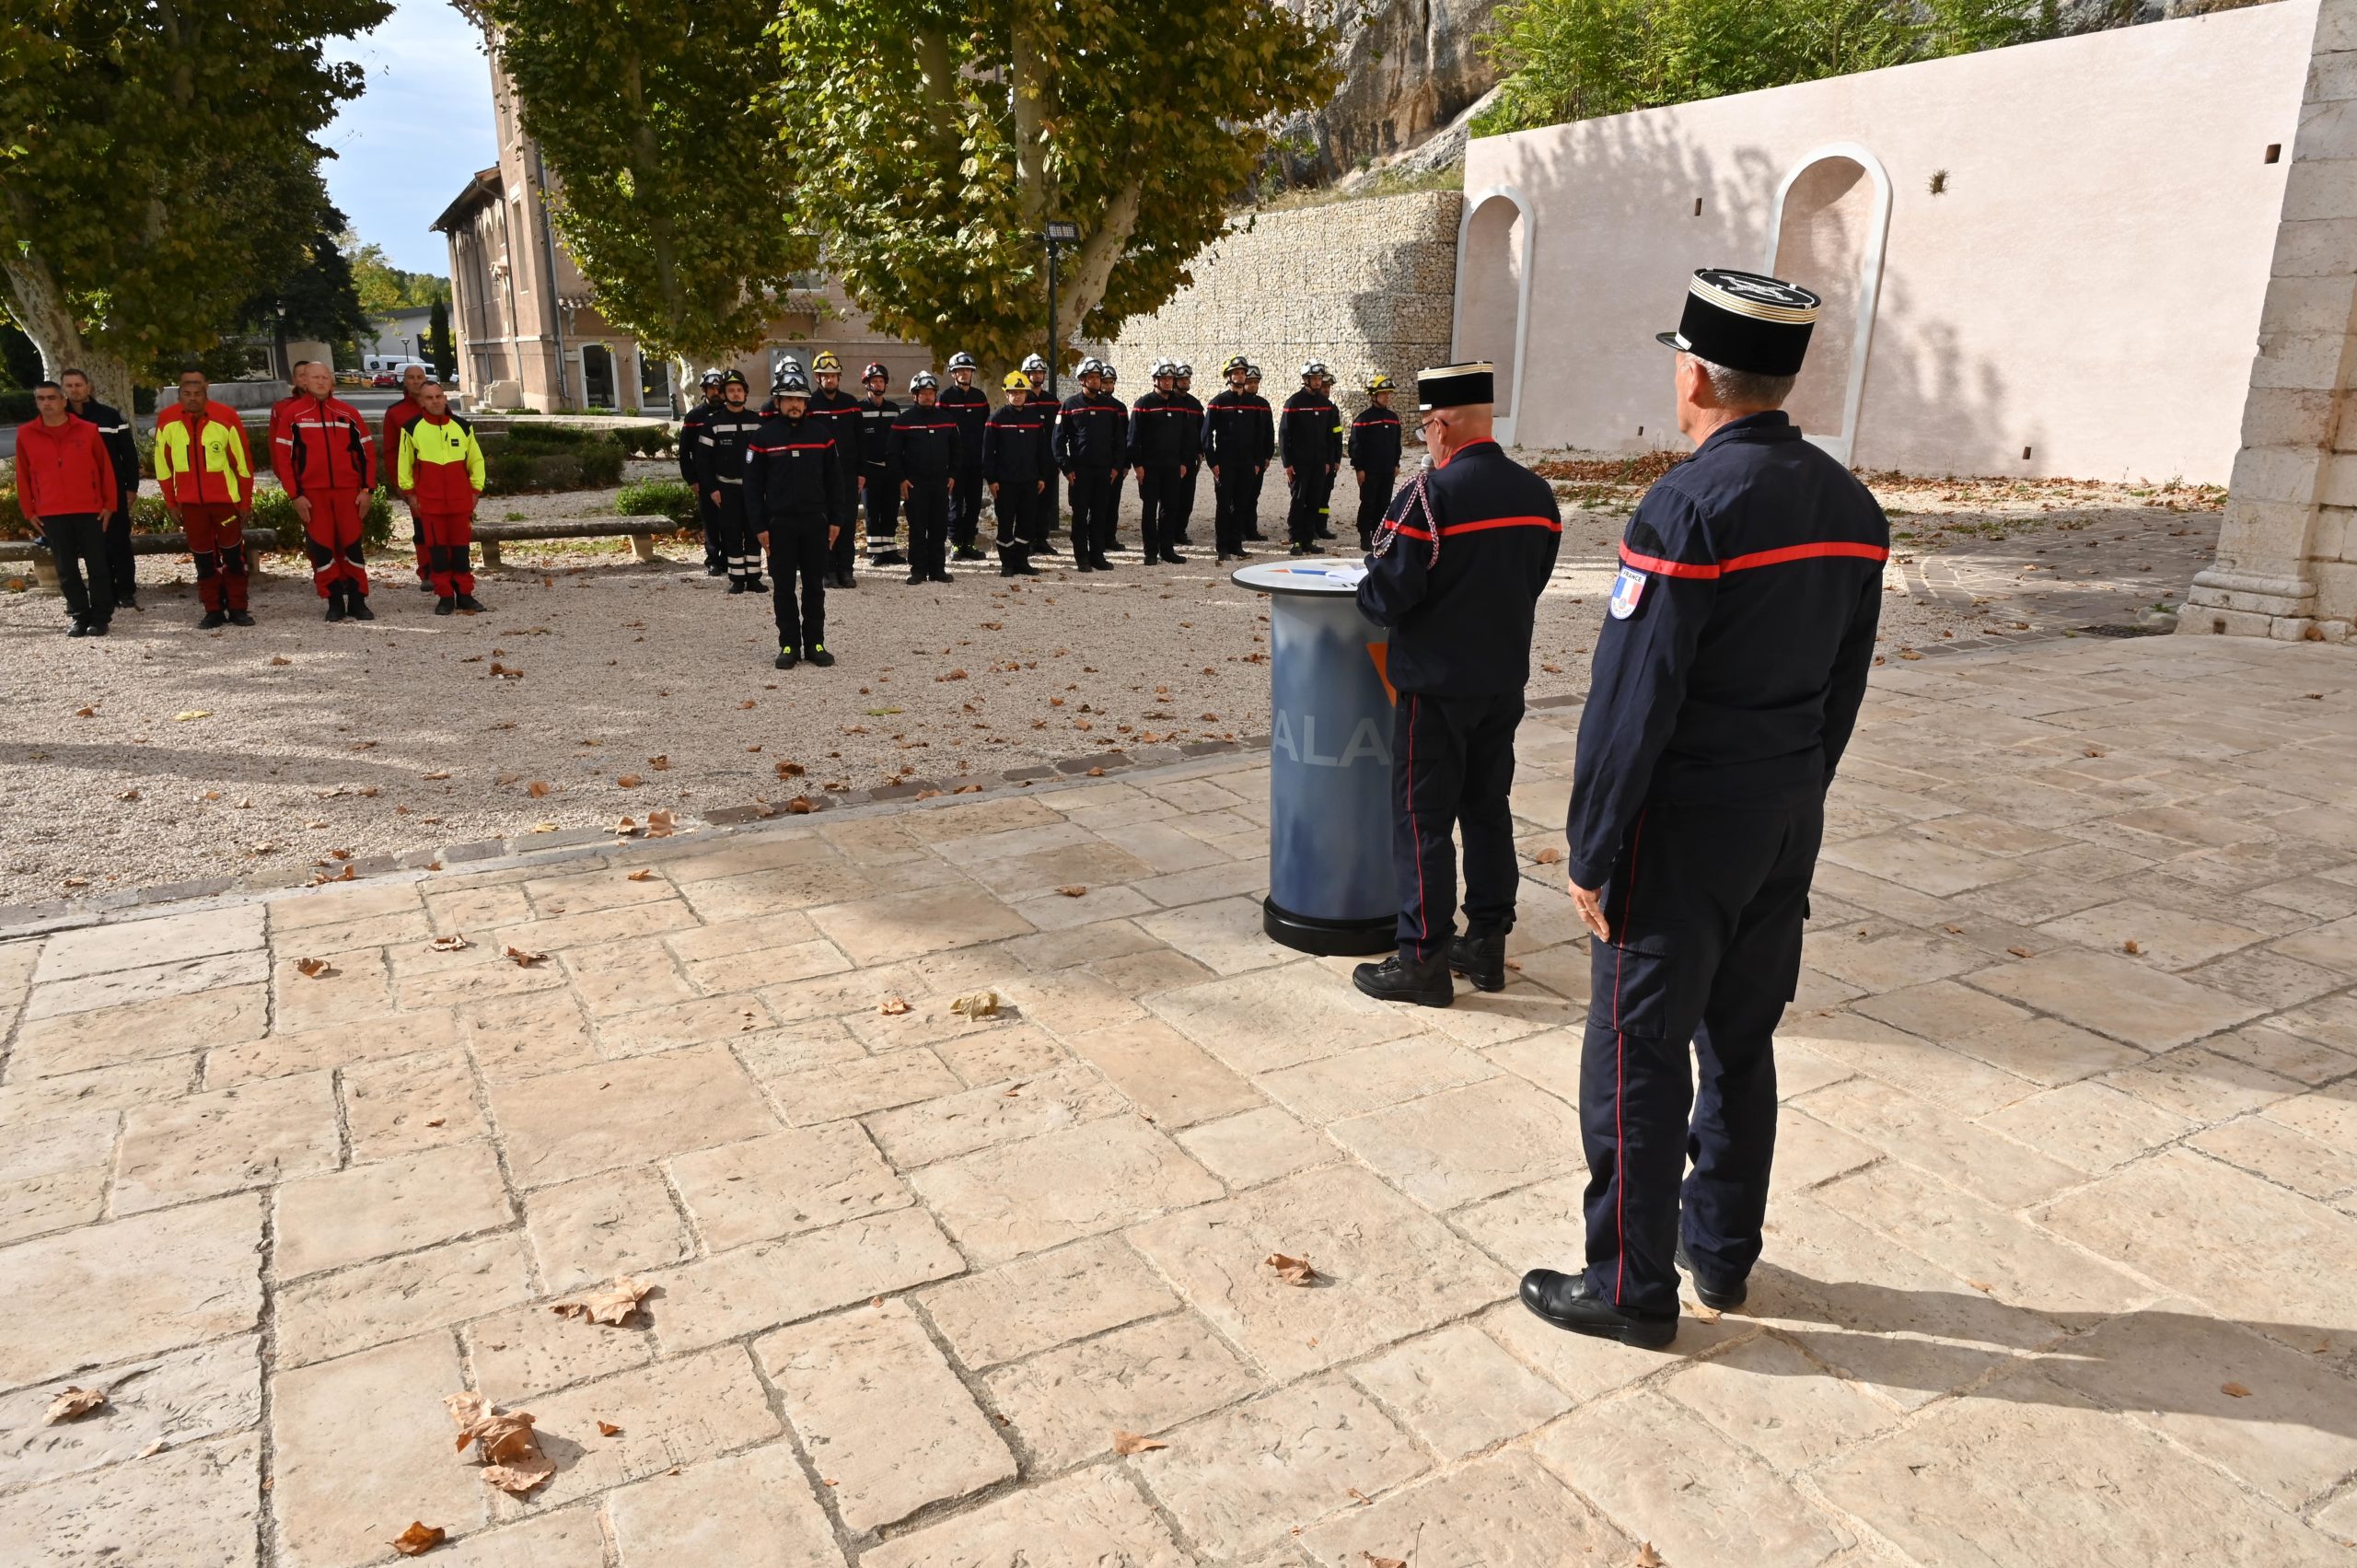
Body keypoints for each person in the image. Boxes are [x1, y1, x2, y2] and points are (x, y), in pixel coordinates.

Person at [1519, 272, 1888, 1351]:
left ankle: (1629, 1283)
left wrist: (1592, 846)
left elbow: (1635, 699)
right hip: (1780, 807)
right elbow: (1844, 684)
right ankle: (1719, 1247)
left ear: (1693, 374)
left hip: (1680, 823)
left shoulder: (1686, 507)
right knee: (1740, 1035)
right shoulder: (1848, 505)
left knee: (1636, 1050)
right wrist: (1798, 790)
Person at [1353, 359, 1560, 1013]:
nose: (1424, 440)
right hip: (1501, 681)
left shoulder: (1428, 497)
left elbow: (1385, 595)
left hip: (1435, 686)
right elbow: (1534, 576)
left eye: (1425, 428)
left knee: (1422, 822)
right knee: (1488, 808)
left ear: (1441, 425)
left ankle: (1422, 958)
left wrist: (1371, 584)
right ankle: (1487, 942)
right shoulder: (1537, 494)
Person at [746, 366, 846, 669]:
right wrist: (759, 527)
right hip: (779, 526)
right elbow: (752, 488)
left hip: (815, 523)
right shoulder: (762, 438)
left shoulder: (822, 436)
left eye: (799, 400)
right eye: (788, 399)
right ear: (777, 403)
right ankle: (789, 644)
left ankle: (816, 643)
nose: (794, 405)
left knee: (815, 587)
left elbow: (835, 483)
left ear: (806, 403)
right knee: (784, 588)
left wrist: (836, 520)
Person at [13, 380, 120, 636]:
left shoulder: (88, 430)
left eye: (51, 398)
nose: (46, 403)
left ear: (64, 401)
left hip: (89, 509)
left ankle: (101, 617)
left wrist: (109, 504)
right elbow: (23, 476)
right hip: (51, 511)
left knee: (98, 566)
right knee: (66, 569)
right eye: (41, 399)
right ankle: (79, 615)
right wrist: (29, 511)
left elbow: (105, 469)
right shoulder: (26, 434)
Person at [153, 368, 257, 629]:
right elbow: (163, 467)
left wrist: (244, 502)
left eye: (198, 392)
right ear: (179, 392)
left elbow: (243, 465)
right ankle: (212, 609)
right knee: (202, 558)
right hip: (190, 505)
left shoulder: (226, 417)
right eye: (187, 393)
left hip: (224, 503)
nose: (192, 398)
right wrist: (171, 502)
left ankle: (237, 608)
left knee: (233, 557)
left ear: (206, 389)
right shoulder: (166, 420)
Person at [277, 360, 378, 621]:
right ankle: (333, 601)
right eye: (315, 378)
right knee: (322, 549)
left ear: (331, 381)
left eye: (325, 377)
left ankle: (358, 601)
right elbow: (283, 460)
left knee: (353, 546)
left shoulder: (348, 413)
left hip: (348, 492)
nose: (321, 382)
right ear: (304, 382)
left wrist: (367, 489)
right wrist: (295, 495)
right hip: (312, 494)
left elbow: (367, 453)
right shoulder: (293, 415)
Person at [396, 381, 490, 615]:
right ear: (422, 401)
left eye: (439, 396)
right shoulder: (411, 428)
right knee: (437, 552)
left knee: (461, 551)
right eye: (429, 397)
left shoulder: (462, 426)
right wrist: (410, 494)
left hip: (460, 502)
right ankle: (445, 597)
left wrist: (476, 490)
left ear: (445, 398)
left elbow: (476, 461)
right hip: (429, 502)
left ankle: (465, 595)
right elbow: (403, 465)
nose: (435, 401)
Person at [60, 369, 141, 611]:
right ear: (63, 389)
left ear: (88, 386)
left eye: (78, 385)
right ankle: (101, 592)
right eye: (69, 385)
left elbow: (128, 454)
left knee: (119, 542)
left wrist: (131, 487)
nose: (74, 389)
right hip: (77, 493)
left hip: (112, 489)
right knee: (89, 545)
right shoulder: (58, 419)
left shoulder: (110, 416)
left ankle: (125, 591)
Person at [696, 370, 768, 593]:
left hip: (753, 489)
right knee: (732, 533)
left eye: (739, 390)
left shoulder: (757, 422)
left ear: (745, 393)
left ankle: (754, 577)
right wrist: (712, 489)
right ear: (724, 394)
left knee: (755, 532)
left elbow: (766, 456)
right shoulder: (713, 424)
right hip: (726, 488)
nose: (736, 394)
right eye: (731, 391)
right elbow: (702, 461)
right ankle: (737, 579)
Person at [891, 371, 960, 586]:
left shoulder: (947, 420)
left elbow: (957, 450)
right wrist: (901, 479)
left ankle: (938, 569)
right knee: (918, 529)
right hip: (915, 484)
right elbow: (892, 454)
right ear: (915, 396)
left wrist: (953, 475)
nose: (928, 397)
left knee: (939, 528)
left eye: (931, 393)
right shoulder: (903, 421)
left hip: (940, 483)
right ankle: (918, 570)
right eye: (923, 393)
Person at [1055, 359, 1123, 573]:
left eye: (1098, 377)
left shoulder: (1110, 407)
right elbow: (1057, 440)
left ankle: (1097, 555)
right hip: (1079, 471)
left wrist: (1116, 467)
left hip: (1104, 470)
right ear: (1082, 380)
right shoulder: (1069, 405)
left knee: (1100, 513)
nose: (1096, 380)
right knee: (1080, 514)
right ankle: (1081, 557)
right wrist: (1066, 468)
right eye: (1091, 377)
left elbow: (1119, 440)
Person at [805, 351, 865, 588]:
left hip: (848, 474)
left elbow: (861, 441)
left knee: (847, 522)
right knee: (822, 523)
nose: (830, 380)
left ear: (839, 377)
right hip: (819, 476)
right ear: (818, 378)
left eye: (834, 376)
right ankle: (826, 570)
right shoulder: (810, 405)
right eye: (825, 376)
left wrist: (862, 472)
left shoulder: (851, 404)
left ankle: (846, 569)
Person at [1127, 360, 1191, 565]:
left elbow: (1185, 437)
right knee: (1149, 509)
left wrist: (1183, 462)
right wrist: (1137, 465)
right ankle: (1150, 552)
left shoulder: (1180, 405)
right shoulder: (1143, 404)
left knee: (1170, 508)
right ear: (1155, 380)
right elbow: (1133, 438)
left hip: (1173, 466)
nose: (1167, 382)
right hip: (1149, 467)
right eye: (1163, 378)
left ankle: (1167, 549)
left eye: (1170, 378)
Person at [983, 370, 1046, 577]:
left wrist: (1042, 476)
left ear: (1027, 394)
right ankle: (1007, 563)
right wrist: (991, 480)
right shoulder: (996, 419)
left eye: (1021, 392)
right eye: (1013, 392)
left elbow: (1041, 451)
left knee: (1027, 523)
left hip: (1029, 481)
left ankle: (1022, 561)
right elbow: (988, 454)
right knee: (1006, 524)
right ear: (1006, 394)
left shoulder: (1035, 418)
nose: (1017, 396)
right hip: (1005, 482)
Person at [1280, 359, 1341, 555]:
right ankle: (1296, 540)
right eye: (1314, 378)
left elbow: (1329, 437)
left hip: (1319, 463)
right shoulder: (1294, 403)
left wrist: (1329, 461)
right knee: (1298, 501)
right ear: (1305, 379)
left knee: (1314, 501)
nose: (1317, 382)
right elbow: (1283, 435)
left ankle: (1308, 539)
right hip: (1299, 463)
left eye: (1319, 378)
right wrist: (1287, 463)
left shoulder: (1326, 405)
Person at [380, 364, 433, 590]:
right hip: (415, 481)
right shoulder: (395, 412)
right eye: (411, 377)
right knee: (421, 528)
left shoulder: (437, 403)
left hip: (442, 478)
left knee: (444, 527)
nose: (416, 381)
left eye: (420, 376)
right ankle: (427, 572)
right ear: (404, 380)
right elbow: (391, 452)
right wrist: (399, 483)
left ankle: (449, 569)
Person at [1202, 355, 1257, 562]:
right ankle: (1222, 546)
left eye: (1243, 373)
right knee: (1224, 505)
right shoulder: (1218, 402)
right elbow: (1206, 435)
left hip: (1246, 463)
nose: (1240, 376)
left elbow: (1259, 435)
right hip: (1225, 463)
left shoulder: (1253, 404)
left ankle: (1236, 544)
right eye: (1236, 373)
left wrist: (1257, 461)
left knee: (1242, 504)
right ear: (1228, 376)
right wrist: (1213, 462)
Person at [940, 352, 992, 562]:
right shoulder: (945, 398)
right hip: (954, 462)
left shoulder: (980, 397)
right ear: (953, 374)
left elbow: (986, 429)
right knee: (954, 504)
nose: (964, 374)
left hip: (975, 461)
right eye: (959, 370)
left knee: (973, 504)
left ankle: (969, 542)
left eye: (967, 370)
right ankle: (955, 544)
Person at [1348, 373, 1403, 552]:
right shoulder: (1363, 420)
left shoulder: (1393, 418)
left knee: (1384, 503)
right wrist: (1359, 468)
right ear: (1373, 395)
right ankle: (1365, 534)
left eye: (1389, 393)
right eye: (1384, 393)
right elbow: (1355, 446)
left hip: (1388, 470)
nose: (1387, 397)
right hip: (1369, 471)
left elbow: (1397, 444)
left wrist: (1396, 464)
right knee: (1368, 503)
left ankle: (1379, 535)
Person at [681, 369, 729, 575]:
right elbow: (684, 453)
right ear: (704, 390)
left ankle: (730, 557)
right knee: (710, 521)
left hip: (728, 477)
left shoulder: (731, 414)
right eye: (712, 389)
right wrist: (692, 479)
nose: (717, 393)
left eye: (720, 389)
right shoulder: (694, 417)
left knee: (730, 519)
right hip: (704, 478)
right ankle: (713, 558)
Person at [857, 362, 905, 570]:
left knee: (890, 509)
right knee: (871, 510)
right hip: (869, 468)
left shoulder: (894, 409)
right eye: (874, 381)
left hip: (891, 468)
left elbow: (901, 440)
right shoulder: (858, 409)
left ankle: (890, 549)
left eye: (881, 381)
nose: (878, 384)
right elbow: (856, 442)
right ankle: (875, 551)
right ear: (866, 384)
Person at [1019, 354, 1062, 555]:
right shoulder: (1020, 399)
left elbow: (1061, 431)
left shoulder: (1053, 402)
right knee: (1026, 502)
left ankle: (1041, 539)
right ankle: (1025, 541)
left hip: (1048, 459)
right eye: (1033, 372)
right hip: (1026, 460)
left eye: (1040, 372)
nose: (1037, 376)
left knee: (1045, 503)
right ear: (1026, 374)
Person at [1169, 363, 1203, 546]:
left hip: (1191, 459)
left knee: (1187, 498)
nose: (1187, 381)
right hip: (1172, 459)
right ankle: (1168, 531)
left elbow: (1201, 430)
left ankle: (1180, 530)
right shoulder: (1169, 402)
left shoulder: (1195, 404)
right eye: (1183, 378)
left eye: (1188, 378)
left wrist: (1201, 451)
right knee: (1170, 498)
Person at [1241, 365, 1274, 540]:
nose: (1253, 385)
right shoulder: (1238, 402)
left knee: (1253, 495)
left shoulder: (1263, 405)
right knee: (1239, 497)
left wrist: (1268, 455)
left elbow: (1270, 431)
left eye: (1256, 382)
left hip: (1260, 457)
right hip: (1243, 458)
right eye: (1250, 382)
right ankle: (1237, 529)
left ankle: (1251, 530)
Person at [1101, 365, 1129, 551]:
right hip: (1097, 462)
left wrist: (1125, 464)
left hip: (1116, 463)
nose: (1108, 386)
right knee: (1096, 504)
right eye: (1105, 382)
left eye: (1111, 383)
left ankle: (1110, 537)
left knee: (1113, 503)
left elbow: (1126, 437)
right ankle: (1095, 538)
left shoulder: (1120, 408)